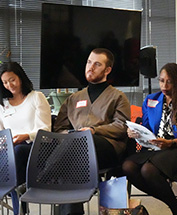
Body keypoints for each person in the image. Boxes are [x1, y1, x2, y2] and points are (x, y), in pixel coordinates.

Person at [54, 48, 131, 215]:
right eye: (89, 62)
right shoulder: (73, 99)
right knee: (72, 166)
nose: (90, 67)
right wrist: (71, 135)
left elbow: (122, 126)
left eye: (97, 64)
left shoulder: (118, 97)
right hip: (75, 152)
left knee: (83, 140)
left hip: (106, 148)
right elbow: (59, 129)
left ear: (107, 70)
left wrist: (94, 130)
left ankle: (48, 171)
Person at [123, 63, 177, 215]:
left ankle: (175, 208)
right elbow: (146, 127)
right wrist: (134, 132)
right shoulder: (151, 100)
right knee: (128, 166)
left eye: (169, 81)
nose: (164, 85)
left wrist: (170, 143)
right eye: (161, 80)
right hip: (155, 148)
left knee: (148, 170)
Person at [0, 62, 52, 214]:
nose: (9, 85)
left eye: (12, 79)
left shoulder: (36, 97)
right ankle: (19, 204)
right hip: (11, 150)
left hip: (34, 147)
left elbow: (45, 129)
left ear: (20, 78)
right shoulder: (3, 105)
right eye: (4, 82)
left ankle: (16, 201)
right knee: (13, 154)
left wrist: (27, 135)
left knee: (18, 151)